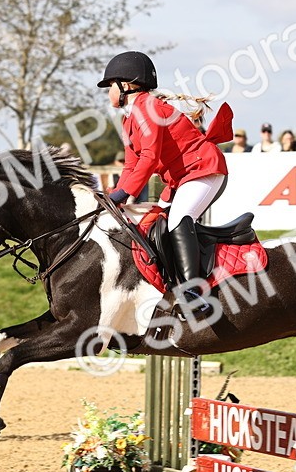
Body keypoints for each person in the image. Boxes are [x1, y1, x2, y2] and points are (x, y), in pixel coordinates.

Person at [98, 50, 230, 314]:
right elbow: (131, 164)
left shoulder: (147, 108)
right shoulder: (129, 119)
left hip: (203, 170)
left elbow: (149, 156)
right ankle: (169, 283)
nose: (108, 92)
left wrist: (125, 192)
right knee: (155, 223)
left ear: (127, 84)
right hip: (181, 179)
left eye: (110, 86)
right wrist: (114, 195)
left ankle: (194, 291)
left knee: (178, 219)